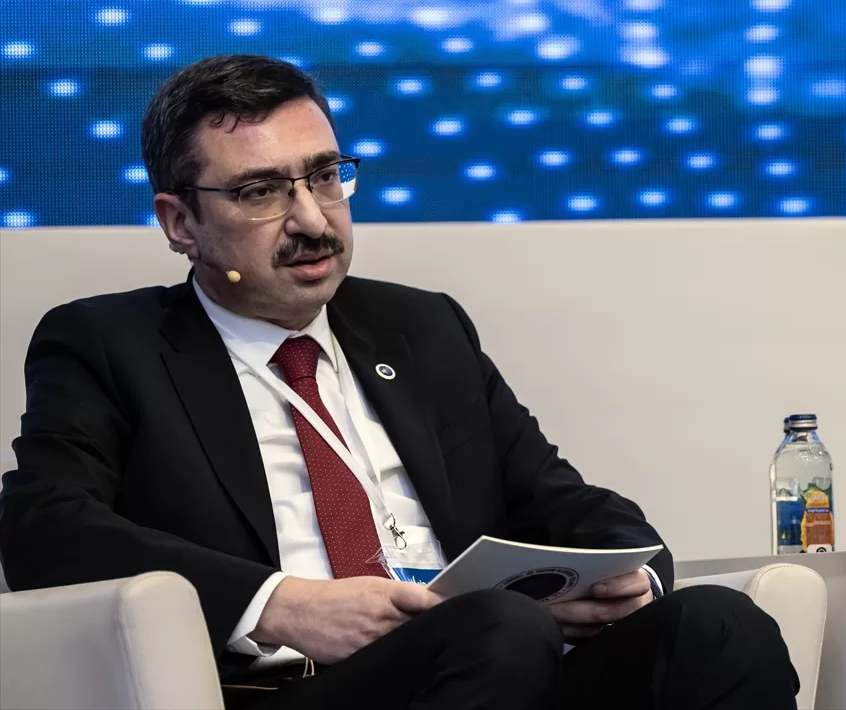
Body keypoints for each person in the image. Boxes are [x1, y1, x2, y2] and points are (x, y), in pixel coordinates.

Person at [0, 55, 799, 709]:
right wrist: (281, 603)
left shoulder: (421, 329)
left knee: (717, 624)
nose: (313, 219)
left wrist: (628, 577)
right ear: (180, 222)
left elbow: (565, 500)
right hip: (287, 686)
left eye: (324, 176)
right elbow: (44, 526)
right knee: (498, 630)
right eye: (261, 191)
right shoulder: (111, 344)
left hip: (493, 662)